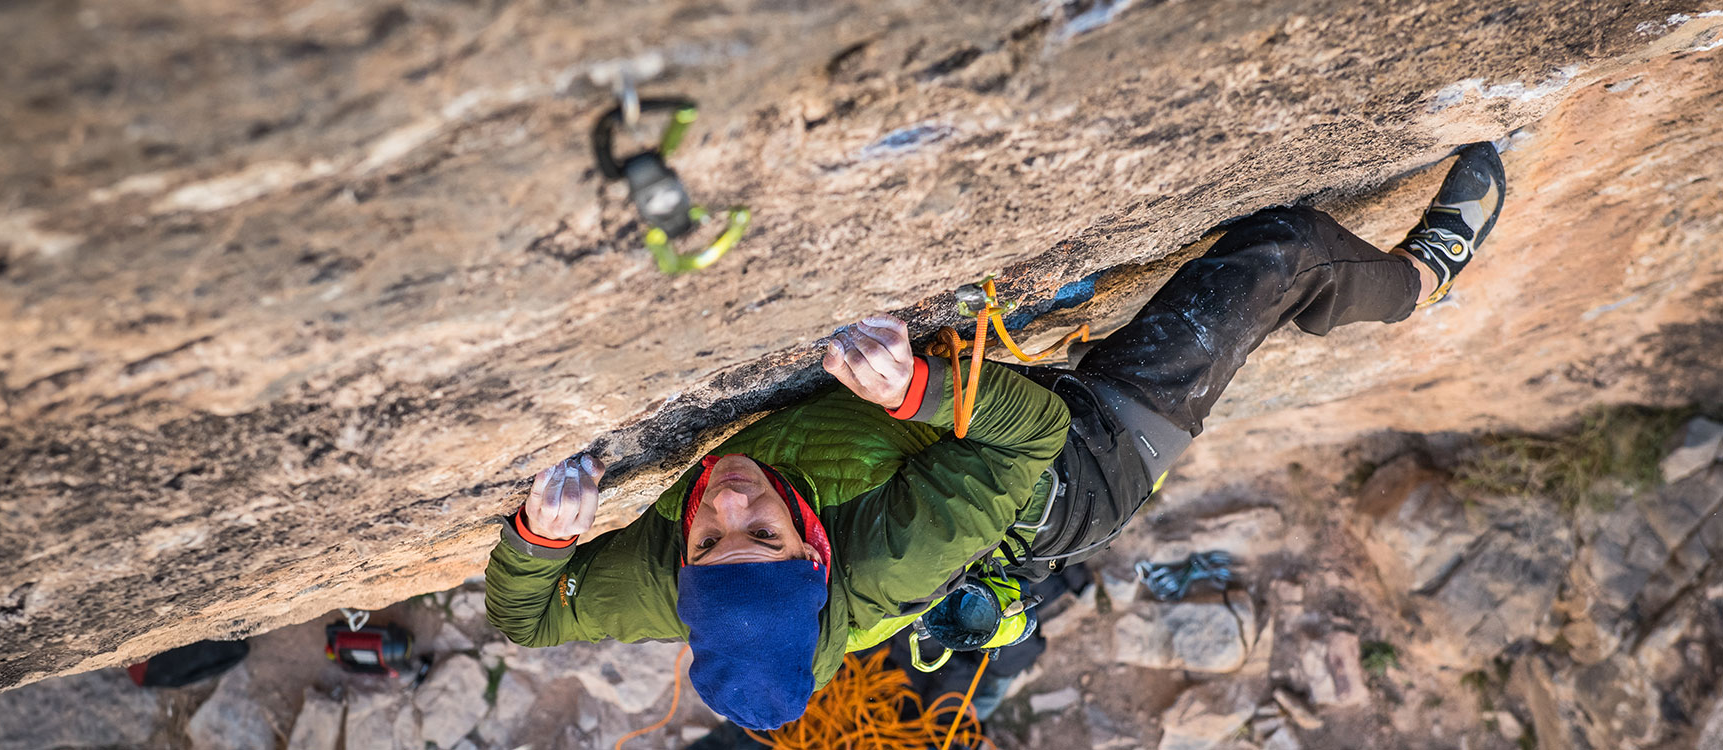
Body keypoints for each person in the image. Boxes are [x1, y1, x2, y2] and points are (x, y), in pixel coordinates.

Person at [483, 142, 1506, 732]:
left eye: (710, 539)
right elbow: (1031, 437)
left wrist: (539, 536)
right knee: (1280, 249)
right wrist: (917, 386)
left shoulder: (665, 583)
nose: (726, 503)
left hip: (944, 454)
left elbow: (526, 620)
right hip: (1077, 469)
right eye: (762, 533)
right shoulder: (891, 555)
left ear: (685, 576)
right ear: (815, 558)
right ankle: (1416, 282)